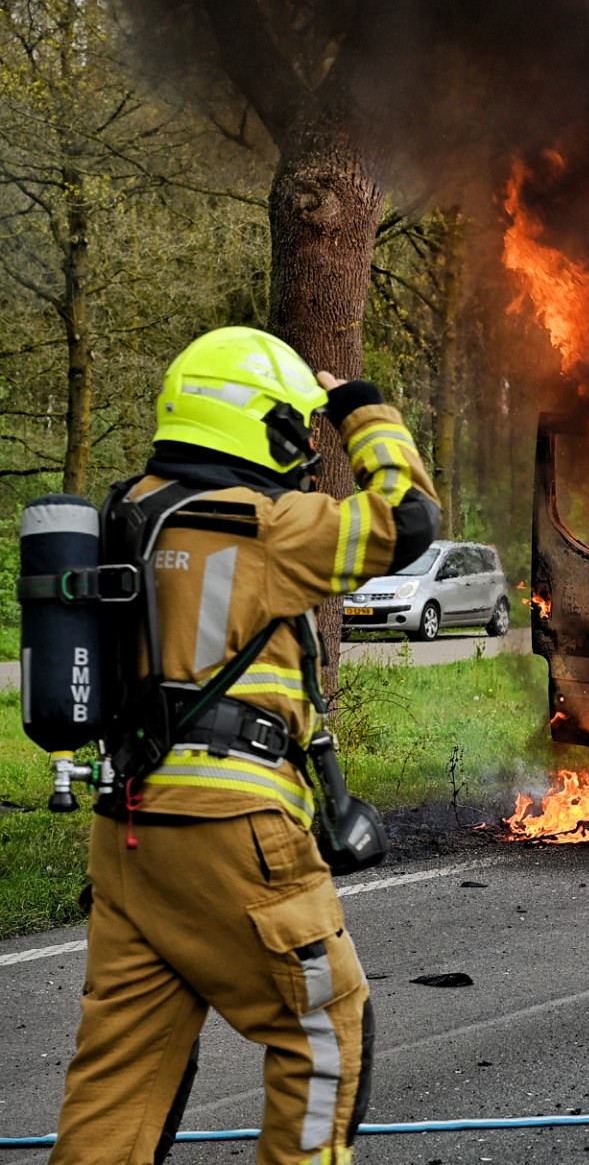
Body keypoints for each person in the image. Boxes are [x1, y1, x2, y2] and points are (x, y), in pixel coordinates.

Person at [50, 326, 439, 1164]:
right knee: (326, 1030)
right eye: (297, 433)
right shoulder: (264, 525)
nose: (304, 453)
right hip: (235, 832)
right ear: (266, 428)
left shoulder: (126, 515)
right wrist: (361, 409)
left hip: (129, 833)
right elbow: (408, 516)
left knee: (120, 1077)